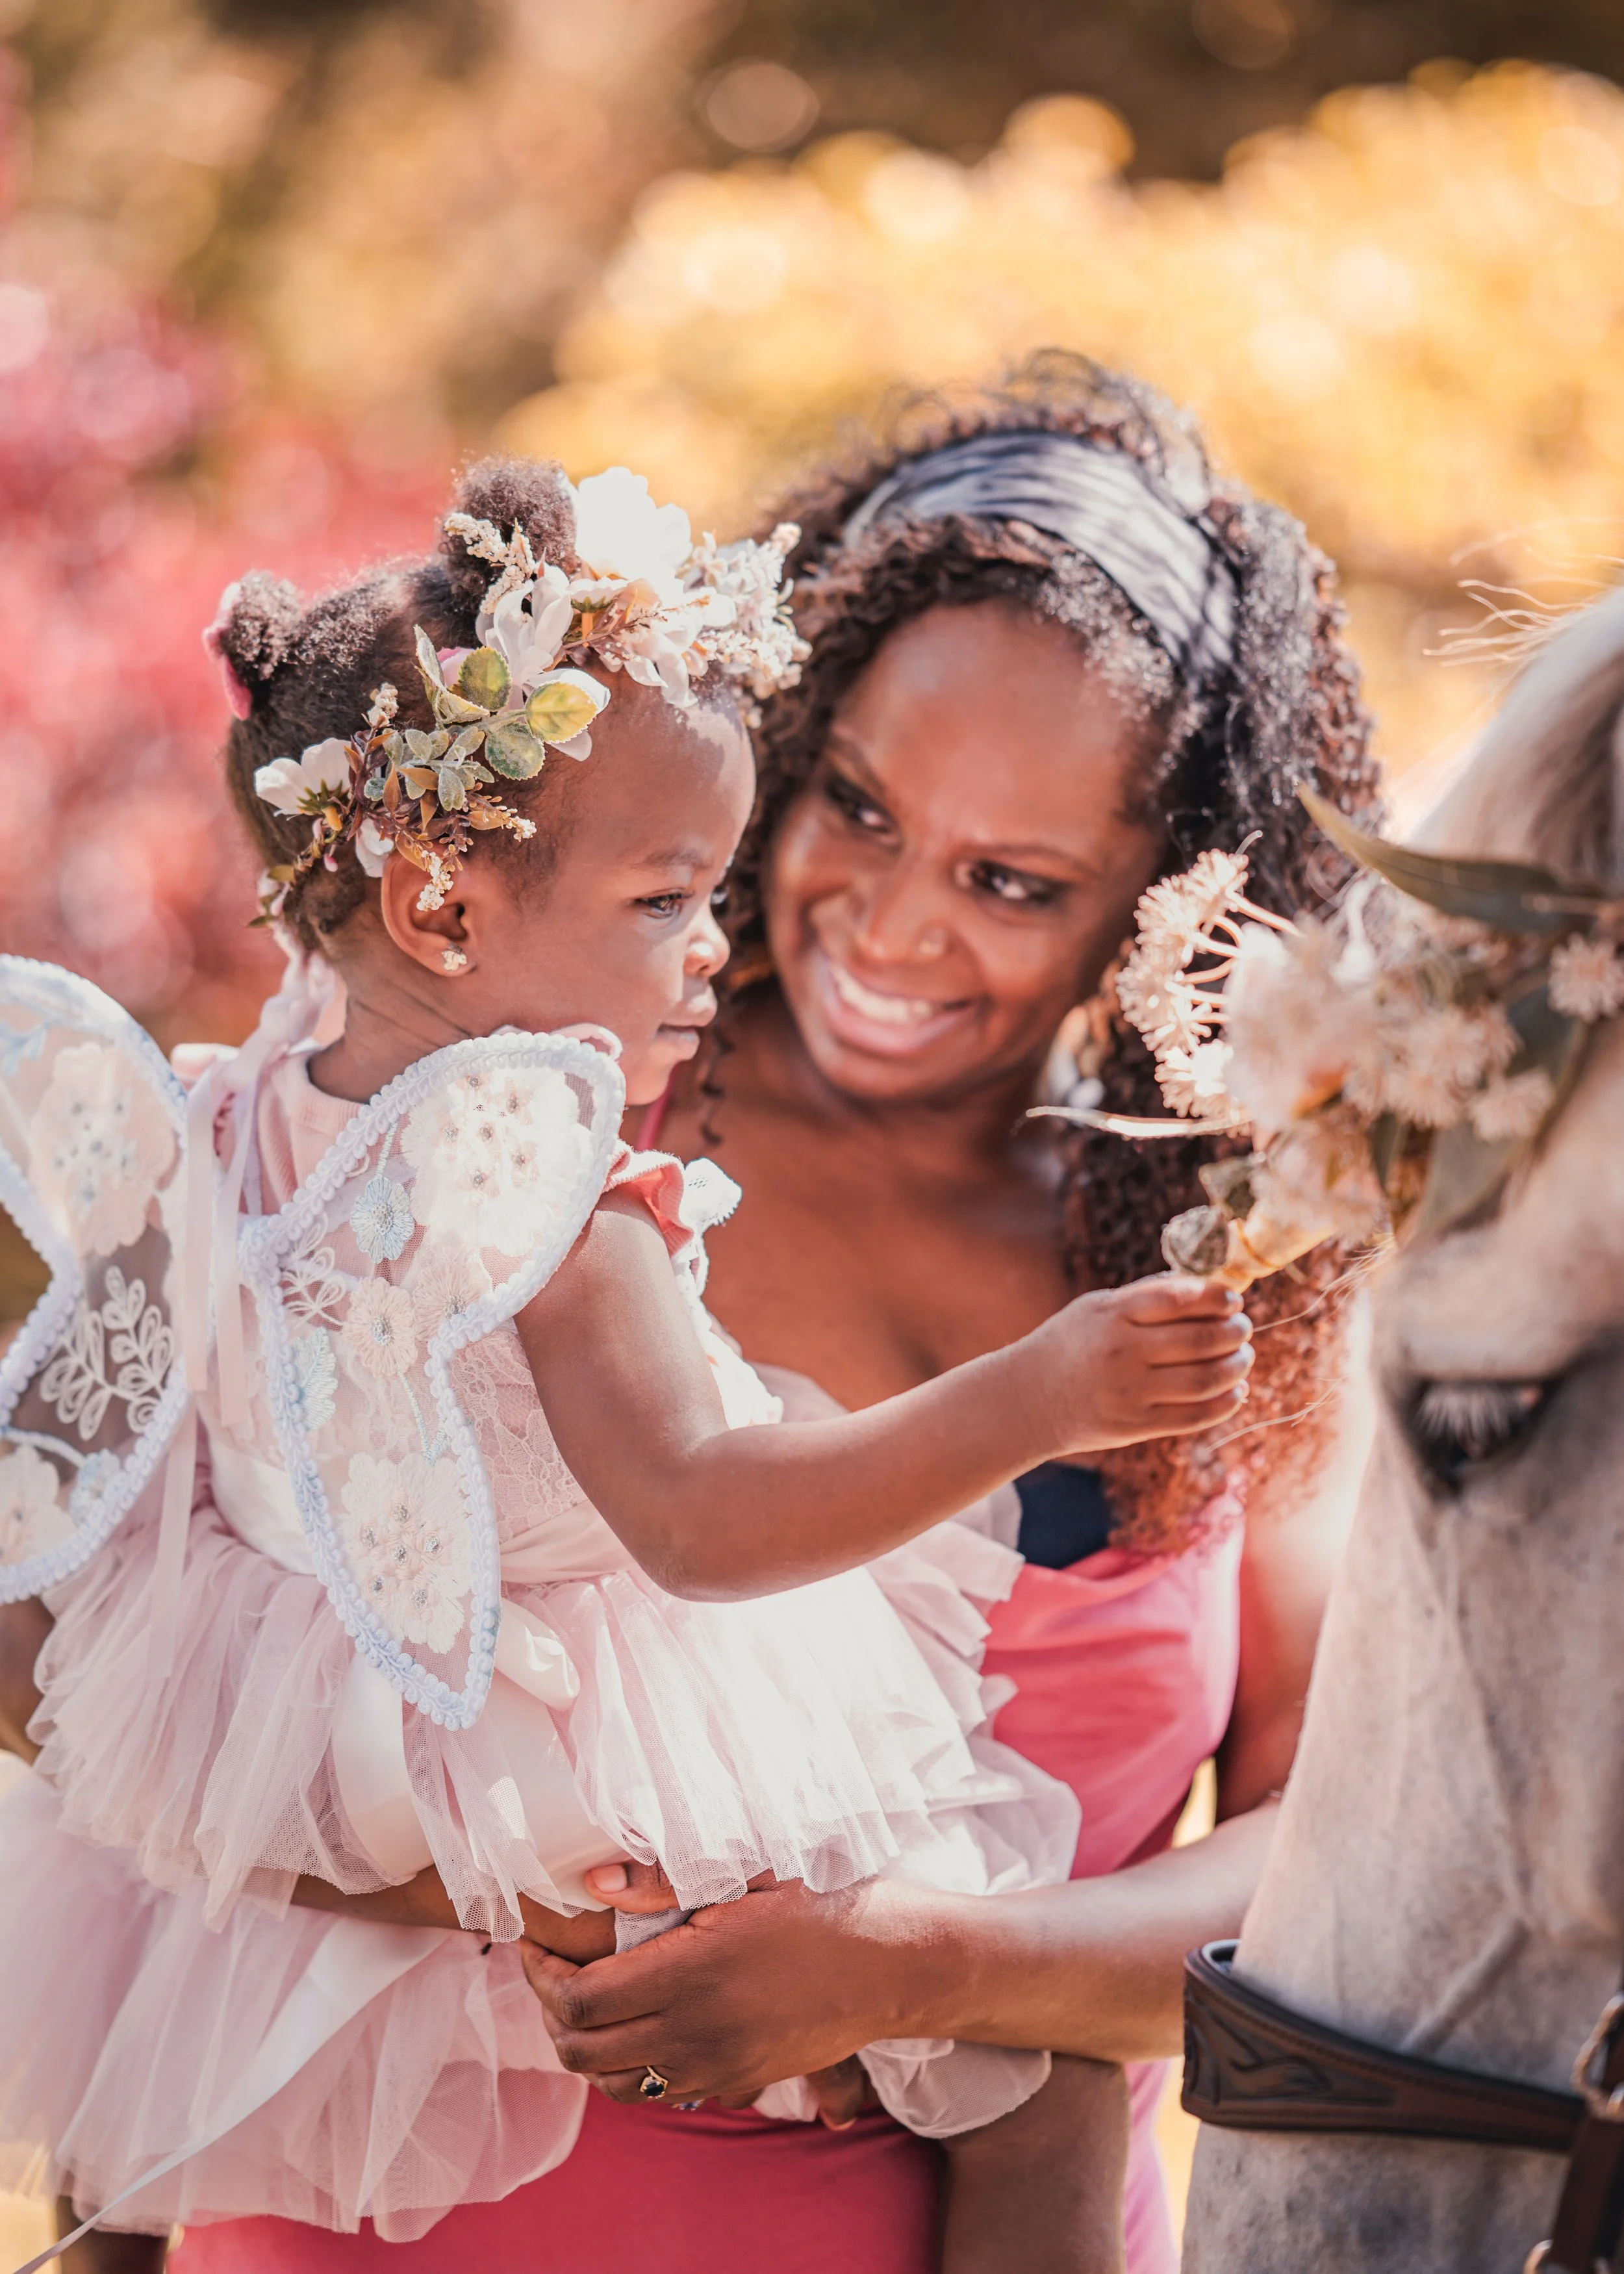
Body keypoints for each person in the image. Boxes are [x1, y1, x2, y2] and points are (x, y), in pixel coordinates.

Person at [0, 449, 1254, 2271]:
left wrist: (216, 1786)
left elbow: (68, 1511)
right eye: (671, 899)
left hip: (331, 1734)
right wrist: (1043, 1392)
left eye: (1009, 874)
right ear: (440, 909)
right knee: (1038, 2083)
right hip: (542, 1766)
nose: (716, 946)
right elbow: (703, 1514)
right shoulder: (546, 1176)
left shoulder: (215, 1124)